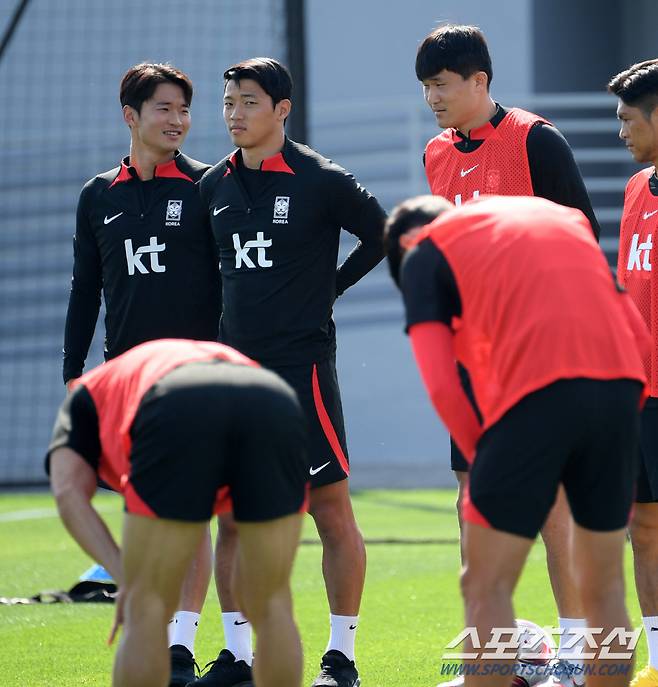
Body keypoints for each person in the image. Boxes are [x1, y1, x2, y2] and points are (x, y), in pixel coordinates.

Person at [385, 193, 649, 687]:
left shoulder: (423, 249)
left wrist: (483, 457)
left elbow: (442, 383)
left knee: (485, 583)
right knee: (604, 584)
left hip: (535, 395)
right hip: (618, 389)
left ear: (405, 245)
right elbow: (640, 341)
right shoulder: (562, 219)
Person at [415, 24, 602, 683]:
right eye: (426, 88)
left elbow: (583, 234)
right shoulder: (436, 153)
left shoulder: (536, 139)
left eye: (441, 86)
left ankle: (579, 651)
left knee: (551, 501)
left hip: (537, 350)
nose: (432, 99)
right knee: (472, 494)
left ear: (479, 82)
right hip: (472, 356)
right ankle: (506, 647)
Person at [197, 57, 386, 687]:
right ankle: (238, 655)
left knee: (328, 512)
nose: (235, 114)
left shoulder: (321, 180)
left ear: (283, 109)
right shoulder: (213, 186)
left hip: (301, 369)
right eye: (228, 103)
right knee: (232, 518)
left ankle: (342, 658)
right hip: (231, 377)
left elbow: (383, 232)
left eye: (249, 102)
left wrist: (329, 287)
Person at [62, 62, 221, 685]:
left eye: (184, 109)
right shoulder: (98, 195)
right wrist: (74, 372)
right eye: (164, 108)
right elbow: (85, 290)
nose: (177, 120)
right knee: (146, 514)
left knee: (192, 512)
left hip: (197, 376)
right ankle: (154, 639)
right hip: (124, 383)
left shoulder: (210, 186)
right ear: (130, 116)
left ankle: (181, 648)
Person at [47, 338, 308, 687]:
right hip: (274, 398)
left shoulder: (82, 399)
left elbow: (67, 491)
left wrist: (125, 576)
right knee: (272, 600)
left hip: (175, 399)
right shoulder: (120, 382)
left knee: (148, 606)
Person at [608, 58, 658, 687]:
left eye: (627, 118)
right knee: (643, 525)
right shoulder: (636, 188)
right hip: (638, 390)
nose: (619, 130)